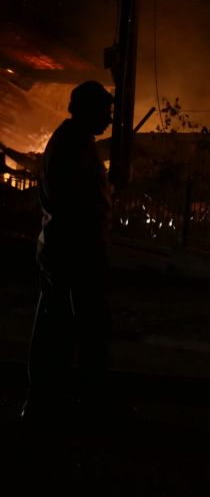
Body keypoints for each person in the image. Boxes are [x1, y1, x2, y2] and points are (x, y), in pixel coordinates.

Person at [23, 80, 115, 422]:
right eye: (104, 112)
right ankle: (63, 400)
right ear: (88, 110)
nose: (109, 119)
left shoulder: (72, 141)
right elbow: (77, 203)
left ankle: (52, 397)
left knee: (59, 321)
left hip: (67, 247)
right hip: (74, 249)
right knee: (69, 325)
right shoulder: (73, 145)